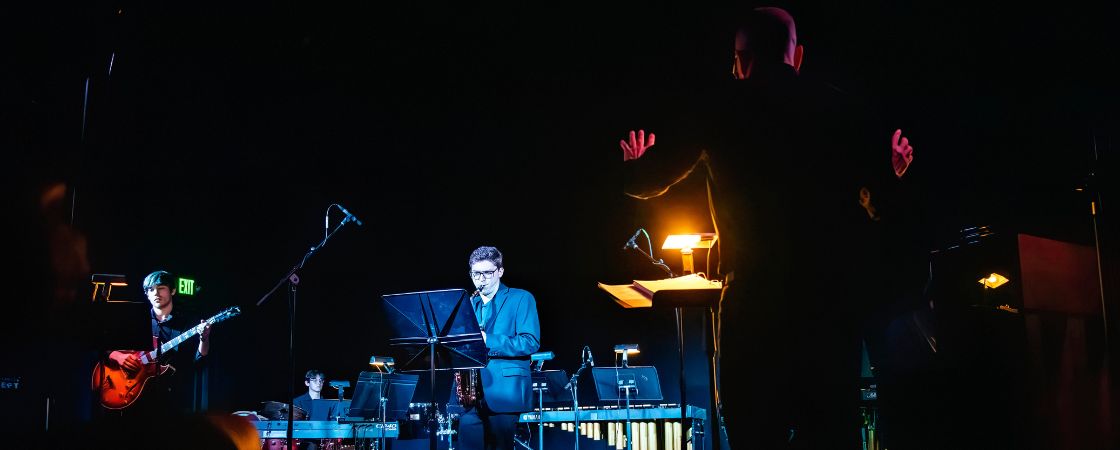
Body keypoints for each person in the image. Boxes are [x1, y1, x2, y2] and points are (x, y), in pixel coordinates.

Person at [617, 7, 916, 449]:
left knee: (756, 433)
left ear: (738, 60)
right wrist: (892, 178)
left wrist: (634, 168)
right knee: (831, 433)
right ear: (797, 57)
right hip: (828, 310)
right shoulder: (840, 108)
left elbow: (648, 183)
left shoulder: (719, 111)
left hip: (755, 310)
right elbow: (877, 208)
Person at [458, 246, 541, 450]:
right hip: (470, 395)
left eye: (487, 273)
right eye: (476, 274)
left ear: (500, 272)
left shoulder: (521, 298)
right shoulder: (469, 303)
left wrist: (488, 339)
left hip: (504, 392)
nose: (481, 279)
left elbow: (530, 341)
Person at [106, 270, 212, 416]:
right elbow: (106, 347)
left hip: (170, 398)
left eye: (161, 288)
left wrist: (204, 338)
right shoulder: (135, 320)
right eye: (151, 289)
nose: (156, 293)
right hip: (132, 396)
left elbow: (199, 358)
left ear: (172, 291)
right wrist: (119, 356)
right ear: (147, 294)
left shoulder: (186, 324)